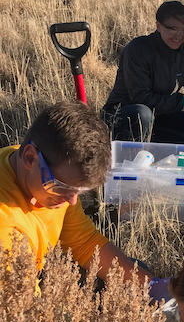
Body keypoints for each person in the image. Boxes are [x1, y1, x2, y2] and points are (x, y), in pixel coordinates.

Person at [0, 101, 154, 286]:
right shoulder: (6, 228)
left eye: (79, 191)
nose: (71, 201)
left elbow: (84, 243)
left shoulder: (34, 166)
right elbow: (20, 306)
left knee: (135, 272)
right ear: (30, 157)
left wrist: (151, 285)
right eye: (62, 187)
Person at [102, 1, 184, 146]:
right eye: (173, 29)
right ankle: (133, 161)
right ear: (158, 26)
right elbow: (141, 98)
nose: (179, 35)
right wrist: (183, 101)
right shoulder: (137, 50)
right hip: (125, 116)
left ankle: (164, 160)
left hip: (160, 116)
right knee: (142, 114)